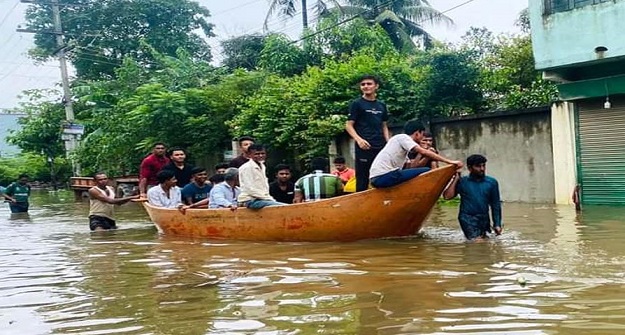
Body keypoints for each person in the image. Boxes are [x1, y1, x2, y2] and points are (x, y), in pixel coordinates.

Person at [369, 120, 463, 188]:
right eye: (422, 135)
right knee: (427, 170)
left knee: (424, 170)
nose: (422, 138)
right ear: (417, 133)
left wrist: (425, 156)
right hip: (383, 177)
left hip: (379, 178)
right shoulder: (403, 138)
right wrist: (449, 161)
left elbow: (413, 167)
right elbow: (423, 151)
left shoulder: (401, 146)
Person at [345, 75, 390, 192]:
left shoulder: (382, 105)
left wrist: (388, 142)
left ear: (376, 86)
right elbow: (348, 125)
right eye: (363, 84)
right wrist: (359, 140)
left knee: (383, 175)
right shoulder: (357, 104)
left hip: (380, 146)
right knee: (362, 179)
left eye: (369, 84)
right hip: (364, 147)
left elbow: (384, 125)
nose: (366, 86)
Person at [443, 154, 503, 240]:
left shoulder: (492, 183)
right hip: (467, 218)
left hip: (484, 218)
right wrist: (455, 179)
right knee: (477, 242)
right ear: (469, 168)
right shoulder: (462, 182)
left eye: (483, 165)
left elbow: (495, 205)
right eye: (478, 166)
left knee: (485, 243)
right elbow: (447, 196)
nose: (482, 169)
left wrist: (497, 224)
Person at [238, 144, 286, 208]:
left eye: (262, 153)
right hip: (251, 200)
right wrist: (268, 198)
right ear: (250, 155)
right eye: (257, 154)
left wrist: (268, 198)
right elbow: (250, 189)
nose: (260, 156)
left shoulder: (262, 166)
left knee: (288, 207)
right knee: (283, 207)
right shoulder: (246, 168)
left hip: (263, 199)